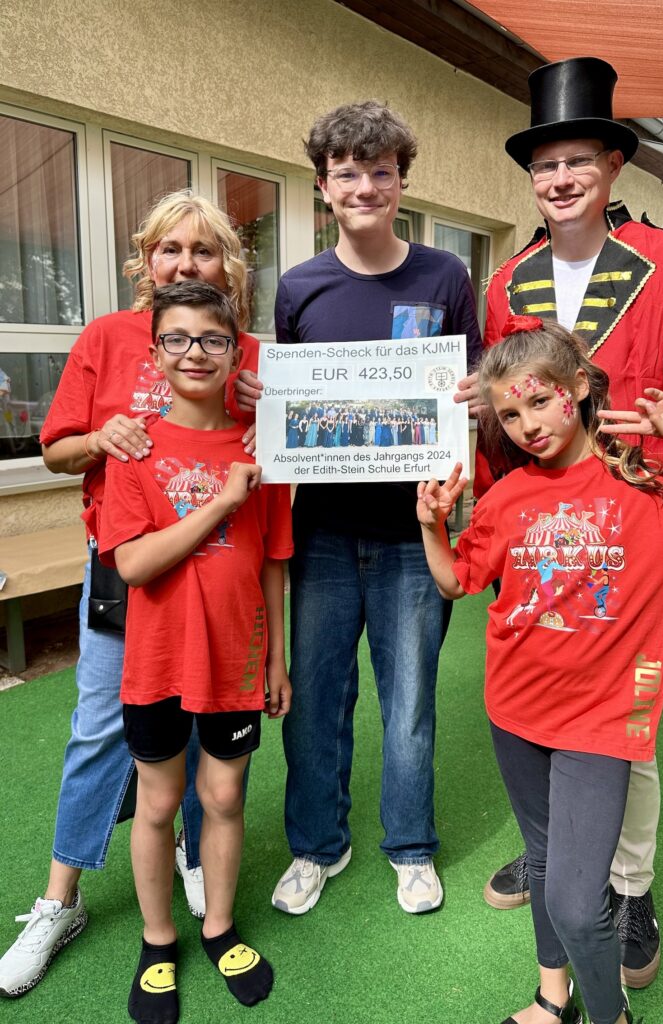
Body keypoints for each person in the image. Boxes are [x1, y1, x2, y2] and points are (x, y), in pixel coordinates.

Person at [417, 316, 663, 1024]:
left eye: (539, 401)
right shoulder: (507, 495)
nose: (527, 425)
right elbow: (455, 581)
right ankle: (554, 998)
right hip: (513, 711)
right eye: (509, 415)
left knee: (579, 904)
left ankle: (611, 1015)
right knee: (545, 861)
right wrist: (430, 524)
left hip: (602, 724)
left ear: (577, 387)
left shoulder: (658, 488)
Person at [480, 56, 663, 988]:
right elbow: (504, 414)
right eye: (545, 165)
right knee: (539, 687)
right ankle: (556, 855)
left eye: (577, 161)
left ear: (614, 165)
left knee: (626, 715)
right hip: (542, 529)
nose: (560, 179)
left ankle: (628, 887)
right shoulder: (507, 281)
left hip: (643, 519)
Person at [0, 191, 258, 1000]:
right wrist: (97, 438)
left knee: (205, 731)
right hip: (128, 560)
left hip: (224, 568)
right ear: (145, 259)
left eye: (203, 249)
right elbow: (56, 451)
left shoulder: (247, 348)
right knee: (101, 725)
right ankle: (60, 898)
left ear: (227, 265)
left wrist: (274, 411)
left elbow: (280, 452)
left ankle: (194, 859)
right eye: (169, 248)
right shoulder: (108, 337)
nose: (185, 262)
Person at [238, 100, 482, 914]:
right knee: (315, 702)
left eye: (381, 172)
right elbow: (290, 400)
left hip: (416, 533)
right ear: (323, 186)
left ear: (401, 181)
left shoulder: (446, 278)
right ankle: (317, 845)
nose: (365, 187)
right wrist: (267, 406)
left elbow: (473, 385)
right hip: (322, 534)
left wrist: (474, 397)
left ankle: (410, 846)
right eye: (348, 174)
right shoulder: (299, 287)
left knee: (409, 703)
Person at [96, 281, 291, 1023]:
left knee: (224, 797)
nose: (195, 353)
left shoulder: (260, 449)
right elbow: (134, 564)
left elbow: (272, 561)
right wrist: (221, 502)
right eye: (176, 339)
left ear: (236, 352)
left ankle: (219, 928)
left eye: (213, 339)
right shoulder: (135, 449)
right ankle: (157, 940)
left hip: (237, 658)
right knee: (159, 802)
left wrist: (276, 659)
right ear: (155, 354)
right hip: (156, 662)